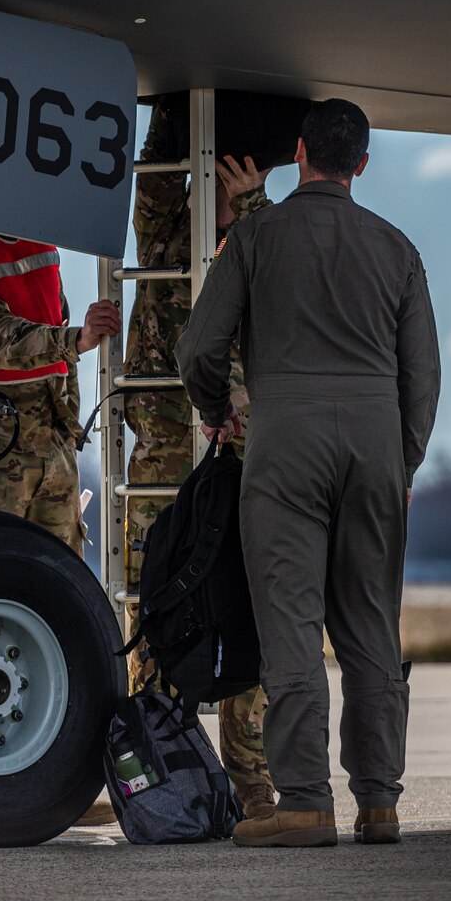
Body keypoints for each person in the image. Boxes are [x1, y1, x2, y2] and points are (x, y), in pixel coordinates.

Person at [174, 99, 440, 848]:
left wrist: (216, 407)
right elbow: (422, 377)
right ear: (361, 162)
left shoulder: (256, 236)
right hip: (375, 443)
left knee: (291, 623)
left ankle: (304, 801)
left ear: (298, 153)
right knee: (369, 628)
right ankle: (380, 801)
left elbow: (199, 347)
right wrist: (401, 458)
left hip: (285, 441)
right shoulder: (398, 249)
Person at [124, 128, 278, 820]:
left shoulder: (258, 241)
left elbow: (276, 298)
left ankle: (251, 784)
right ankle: (165, 776)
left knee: (243, 612)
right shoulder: (167, 240)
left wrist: (250, 205)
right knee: (157, 608)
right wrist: (173, 115)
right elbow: (153, 180)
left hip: (239, 456)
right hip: (164, 451)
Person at [0, 231, 120, 553]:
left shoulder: (41, 245)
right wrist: (76, 340)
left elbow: (58, 341)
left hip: (47, 446)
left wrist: (66, 434)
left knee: (60, 579)